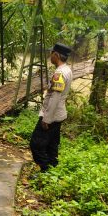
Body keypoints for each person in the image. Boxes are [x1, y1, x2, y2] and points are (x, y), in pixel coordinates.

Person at [29, 42, 74, 172]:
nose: (50, 56)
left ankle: (45, 170)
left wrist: (46, 119)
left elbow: (55, 97)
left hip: (52, 115)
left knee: (36, 144)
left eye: (51, 53)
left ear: (56, 55)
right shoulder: (67, 70)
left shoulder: (59, 73)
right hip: (59, 114)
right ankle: (52, 170)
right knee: (51, 144)